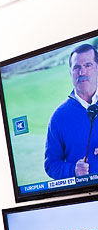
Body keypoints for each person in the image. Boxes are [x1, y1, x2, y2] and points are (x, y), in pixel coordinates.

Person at [45, 42, 98, 180]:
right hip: (83, 199)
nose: (82, 72)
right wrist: (72, 170)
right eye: (76, 68)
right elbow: (51, 164)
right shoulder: (58, 117)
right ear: (70, 73)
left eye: (88, 65)